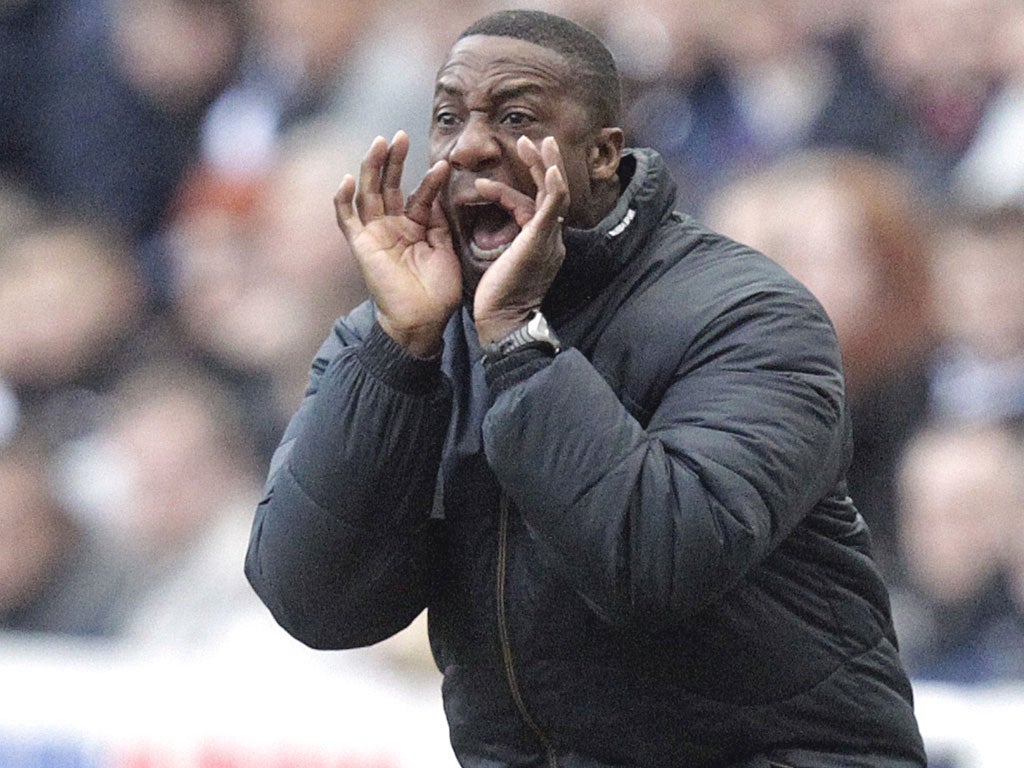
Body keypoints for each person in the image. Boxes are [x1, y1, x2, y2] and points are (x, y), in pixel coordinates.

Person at [245, 9, 926, 767]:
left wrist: (518, 339)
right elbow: (314, 601)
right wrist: (396, 356)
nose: (471, 144)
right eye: (447, 117)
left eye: (514, 116)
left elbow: (654, 565)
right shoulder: (409, 329)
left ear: (601, 156)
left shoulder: (750, 316)